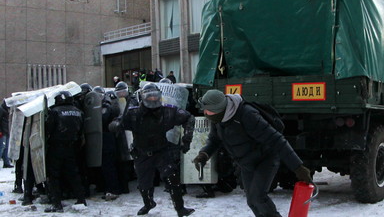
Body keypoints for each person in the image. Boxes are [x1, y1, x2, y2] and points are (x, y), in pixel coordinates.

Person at [193, 89, 312, 217]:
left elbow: (277, 140)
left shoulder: (247, 115)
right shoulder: (218, 119)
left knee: (258, 198)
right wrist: (203, 155)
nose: (205, 113)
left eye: (207, 110)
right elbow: (214, 140)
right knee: (252, 201)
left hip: (265, 159)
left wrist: (298, 167)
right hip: (246, 162)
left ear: (219, 108)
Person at [109, 83, 195, 216]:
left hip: (162, 151)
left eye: (155, 96)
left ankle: (180, 208)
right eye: (150, 97)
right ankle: (148, 203)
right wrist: (116, 125)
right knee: (144, 184)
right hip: (141, 153)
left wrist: (187, 140)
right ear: (143, 97)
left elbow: (189, 118)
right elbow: (115, 123)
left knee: (173, 180)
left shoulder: (168, 111)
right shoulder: (133, 113)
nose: (153, 99)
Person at [44, 91, 87, 212]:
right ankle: (81, 199)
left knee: (54, 175)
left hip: (56, 147)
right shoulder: (79, 112)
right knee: (74, 174)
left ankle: (56, 203)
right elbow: (81, 131)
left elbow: (48, 129)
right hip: (72, 147)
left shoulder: (54, 112)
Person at [0, 100, 12, 168]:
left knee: (5, 148)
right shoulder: (2, 110)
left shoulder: (4, 110)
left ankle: (6, 162)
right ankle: (6, 162)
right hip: (3, 132)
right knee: (2, 147)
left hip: (5, 132)